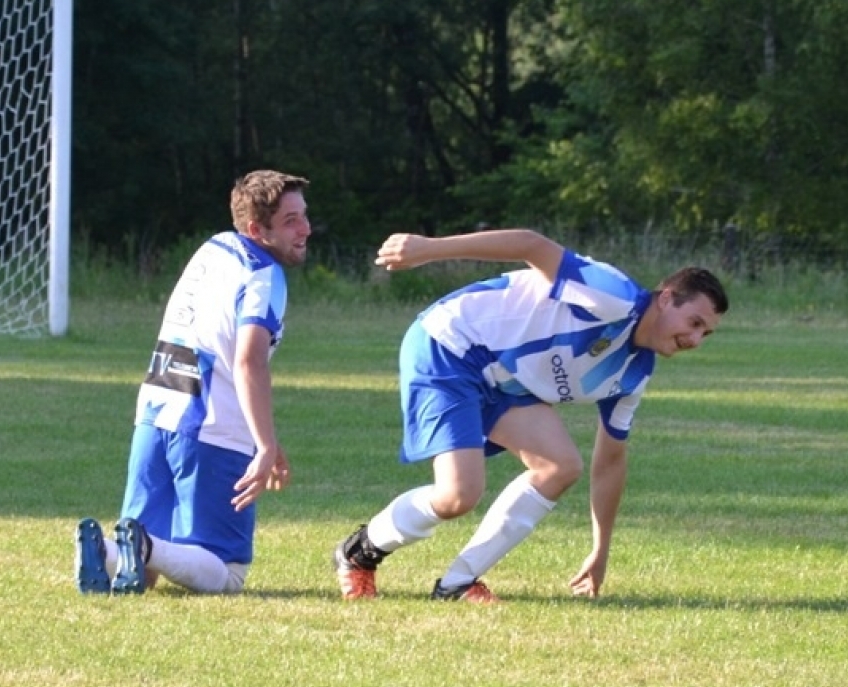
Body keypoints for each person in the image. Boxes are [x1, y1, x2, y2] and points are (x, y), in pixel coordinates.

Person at [333, 227, 727, 603]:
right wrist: (427, 248)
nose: (694, 340)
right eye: (694, 322)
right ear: (666, 297)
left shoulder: (633, 375)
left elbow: (610, 462)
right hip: (451, 345)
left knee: (560, 466)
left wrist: (600, 549)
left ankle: (457, 583)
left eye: (705, 334)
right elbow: (530, 244)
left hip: (503, 381)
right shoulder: (613, 295)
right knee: (458, 496)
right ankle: (357, 554)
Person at [76, 170, 311, 595]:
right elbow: (248, 361)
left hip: (156, 409)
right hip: (212, 426)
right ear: (258, 230)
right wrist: (261, 446)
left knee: (143, 569)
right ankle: (139, 546)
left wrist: (268, 438)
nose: (305, 229)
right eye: (291, 220)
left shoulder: (212, 249)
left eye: (304, 216)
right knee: (228, 572)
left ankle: (107, 553)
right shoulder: (264, 274)